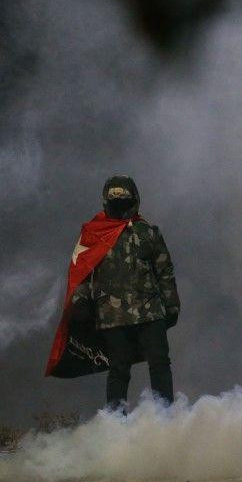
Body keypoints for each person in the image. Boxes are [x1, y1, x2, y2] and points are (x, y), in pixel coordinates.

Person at [45, 175, 180, 411]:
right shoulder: (94, 234)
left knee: (158, 364)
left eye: (123, 196)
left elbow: (164, 271)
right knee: (119, 369)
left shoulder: (147, 232)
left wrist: (171, 306)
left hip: (148, 313)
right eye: (114, 196)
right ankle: (115, 425)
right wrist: (80, 304)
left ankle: (166, 417)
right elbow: (82, 271)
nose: (119, 200)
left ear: (134, 198)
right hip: (114, 316)